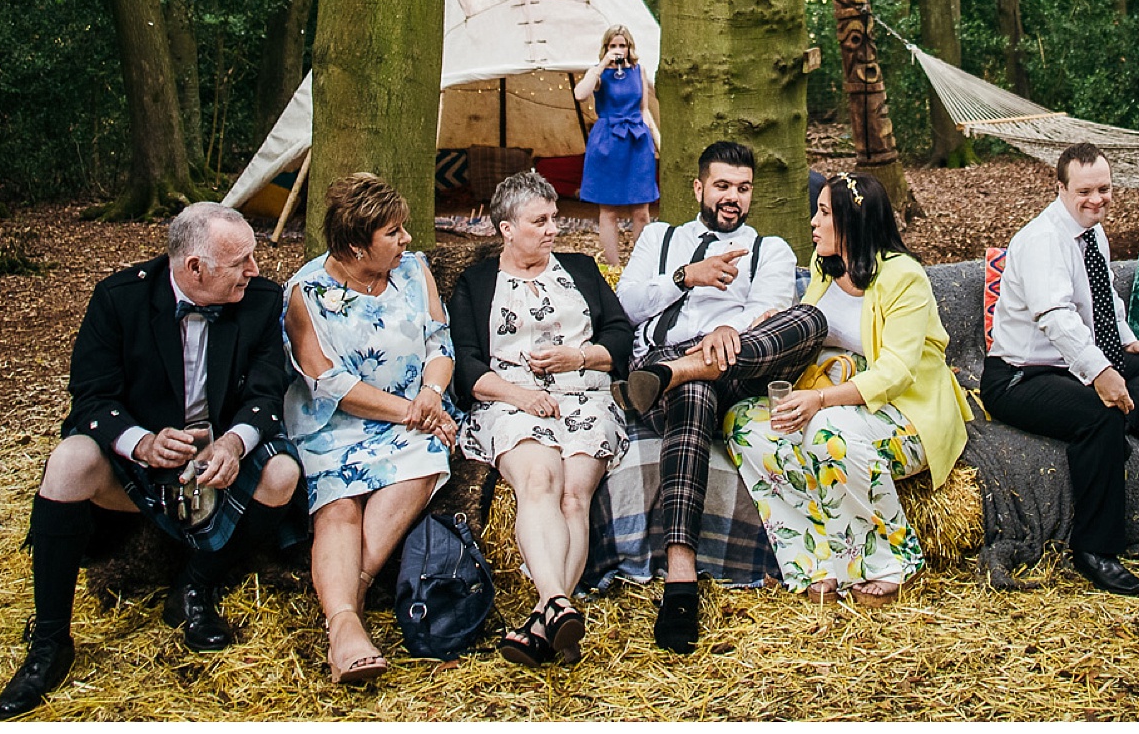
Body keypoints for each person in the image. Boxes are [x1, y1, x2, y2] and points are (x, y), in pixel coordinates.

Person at [0, 202, 303, 719]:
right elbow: (90, 397)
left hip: (220, 454)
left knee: (283, 471)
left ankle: (195, 588)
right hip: (141, 461)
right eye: (241, 261)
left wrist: (234, 443)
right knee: (69, 461)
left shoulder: (261, 300)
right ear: (194, 268)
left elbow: (269, 395)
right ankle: (49, 643)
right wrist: (140, 442)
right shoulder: (121, 299)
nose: (255, 269)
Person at [610, 139, 829, 652]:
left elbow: (767, 312)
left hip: (736, 366)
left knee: (809, 319)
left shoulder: (769, 248)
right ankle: (680, 577)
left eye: (744, 188)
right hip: (662, 363)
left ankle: (681, 371)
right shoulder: (659, 238)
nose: (734, 197)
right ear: (699, 187)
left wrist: (723, 331)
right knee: (696, 393)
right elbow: (626, 305)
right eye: (723, 186)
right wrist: (688, 277)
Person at [724, 170, 971, 603]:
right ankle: (812, 562)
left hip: (904, 411)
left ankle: (891, 562)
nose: (813, 223)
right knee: (744, 422)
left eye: (822, 213)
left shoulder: (903, 278)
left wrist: (818, 400)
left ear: (852, 221)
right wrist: (777, 325)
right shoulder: (827, 267)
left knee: (827, 432)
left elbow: (896, 372)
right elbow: (811, 321)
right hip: (830, 394)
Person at [446, 170, 633, 667]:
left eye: (554, 218)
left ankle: (543, 612)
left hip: (585, 397)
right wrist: (522, 397)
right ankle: (556, 603)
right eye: (540, 220)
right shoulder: (477, 282)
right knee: (538, 481)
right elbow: (466, 365)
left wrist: (582, 357)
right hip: (509, 400)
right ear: (507, 229)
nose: (554, 228)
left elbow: (620, 336)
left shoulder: (582, 268)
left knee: (575, 494)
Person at [283, 174, 458, 685]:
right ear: (357, 246)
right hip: (334, 424)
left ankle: (346, 610)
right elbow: (326, 381)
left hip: (416, 415)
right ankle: (346, 625)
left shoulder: (413, 270)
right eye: (393, 232)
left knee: (427, 455)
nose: (406, 239)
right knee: (338, 501)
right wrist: (407, 410)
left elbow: (439, 344)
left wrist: (429, 395)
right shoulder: (306, 292)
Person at [982, 142, 1139, 597]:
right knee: (1101, 414)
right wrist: (1101, 373)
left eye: (1104, 189)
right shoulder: (1041, 240)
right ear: (1061, 188)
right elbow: (1054, 316)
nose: (1096, 199)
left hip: (1066, 367)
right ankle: (1094, 552)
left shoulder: (1092, 233)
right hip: (1018, 376)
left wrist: (1129, 342)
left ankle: (1114, 432)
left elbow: (1103, 297)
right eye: (1085, 191)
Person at [573, 24, 661, 266]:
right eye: (613, 45)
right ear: (606, 47)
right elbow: (580, 94)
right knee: (609, 211)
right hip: (608, 141)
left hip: (636, 140)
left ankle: (641, 266)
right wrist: (603, 65)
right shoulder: (598, 74)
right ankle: (613, 269)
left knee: (641, 211)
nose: (618, 50)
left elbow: (644, 110)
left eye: (622, 45)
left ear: (630, 47)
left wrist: (656, 140)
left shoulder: (638, 70)